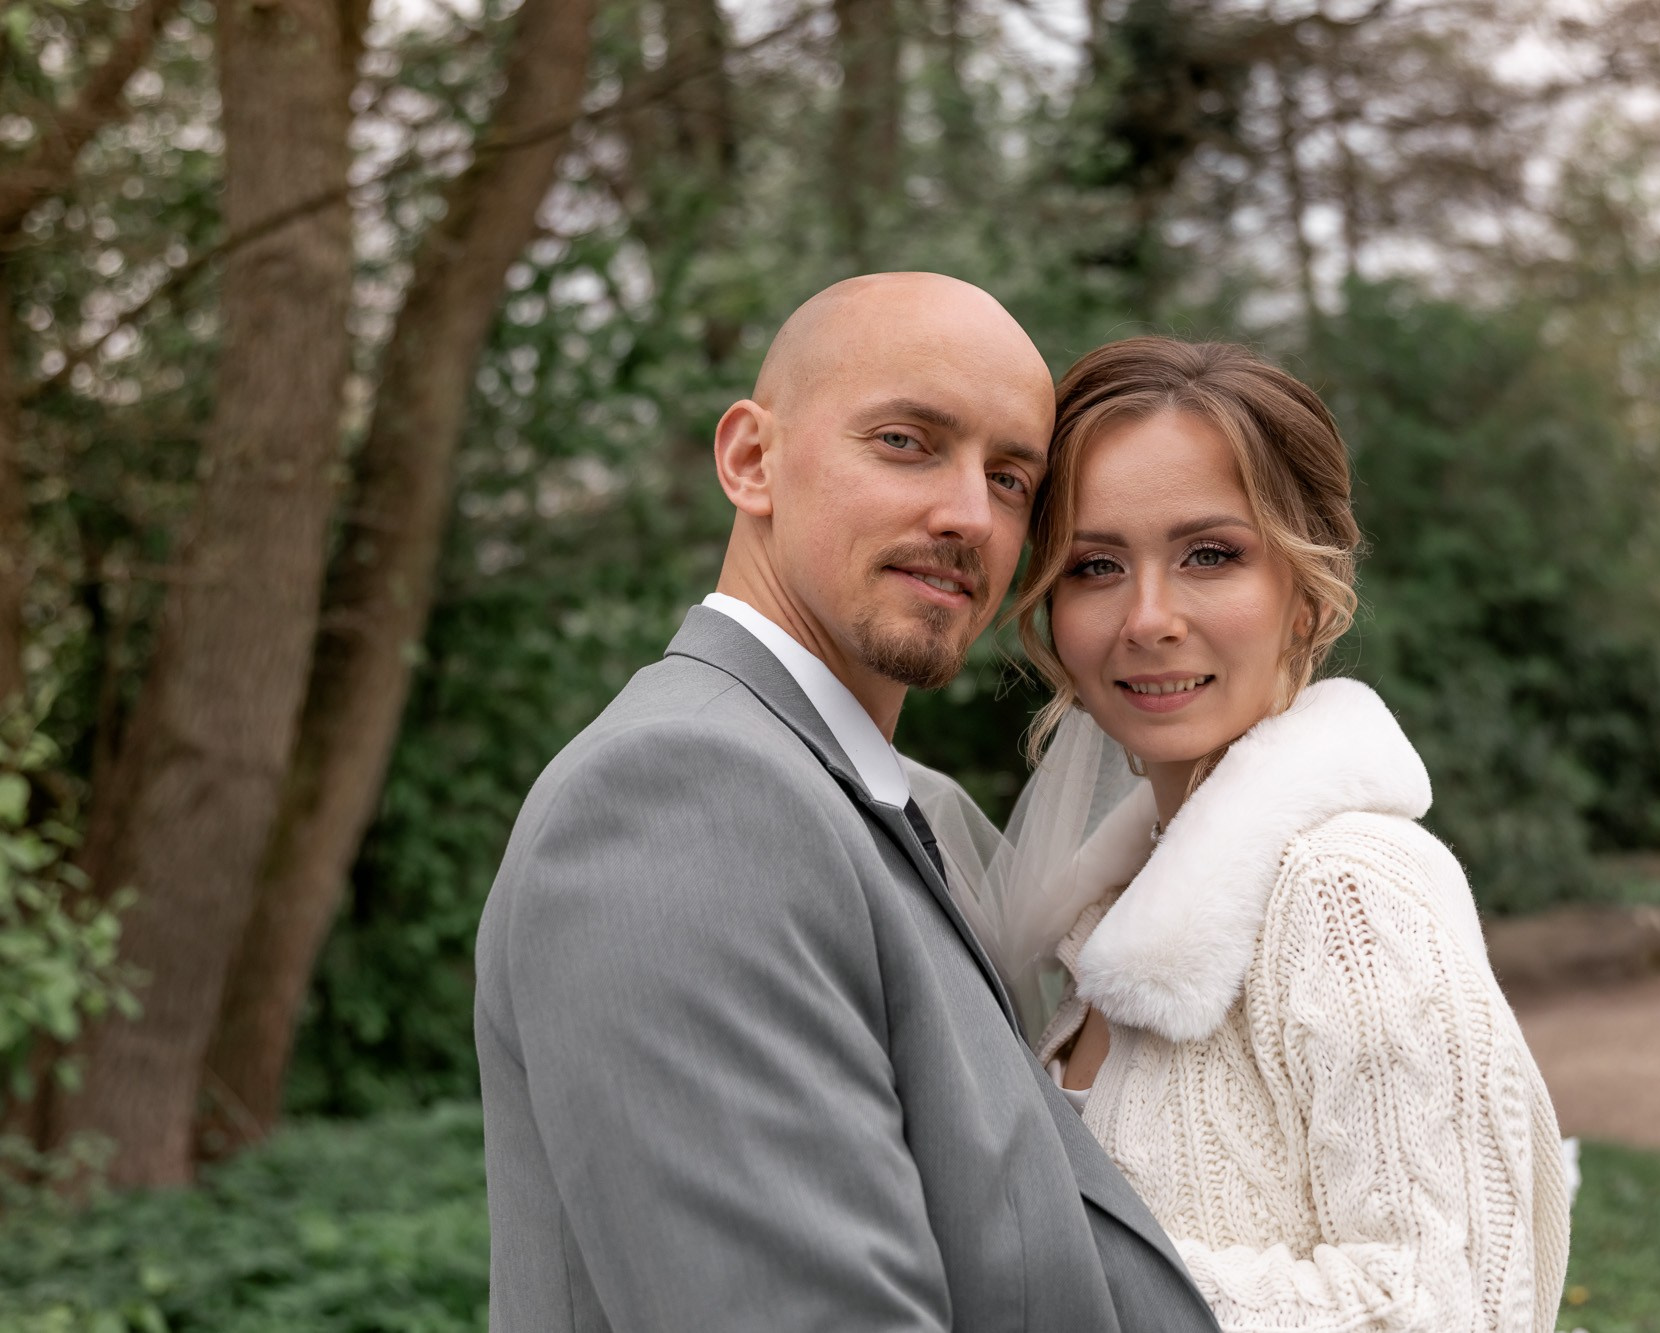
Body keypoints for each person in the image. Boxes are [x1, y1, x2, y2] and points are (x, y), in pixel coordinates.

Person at [473, 276, 1222, 1332]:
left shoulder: (929, 812)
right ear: (750, 460)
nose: (968, 514)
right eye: (907, 441)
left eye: (1011, 479)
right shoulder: (677, 797)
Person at [989, 336, 1572, 1331]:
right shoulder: (1104, 910)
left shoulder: (1345, 890)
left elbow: (1449, 1309)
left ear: (1304, 590)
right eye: (1094, 565)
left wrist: (1046, 1277)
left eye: (1208, 554)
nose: (1148, 616)